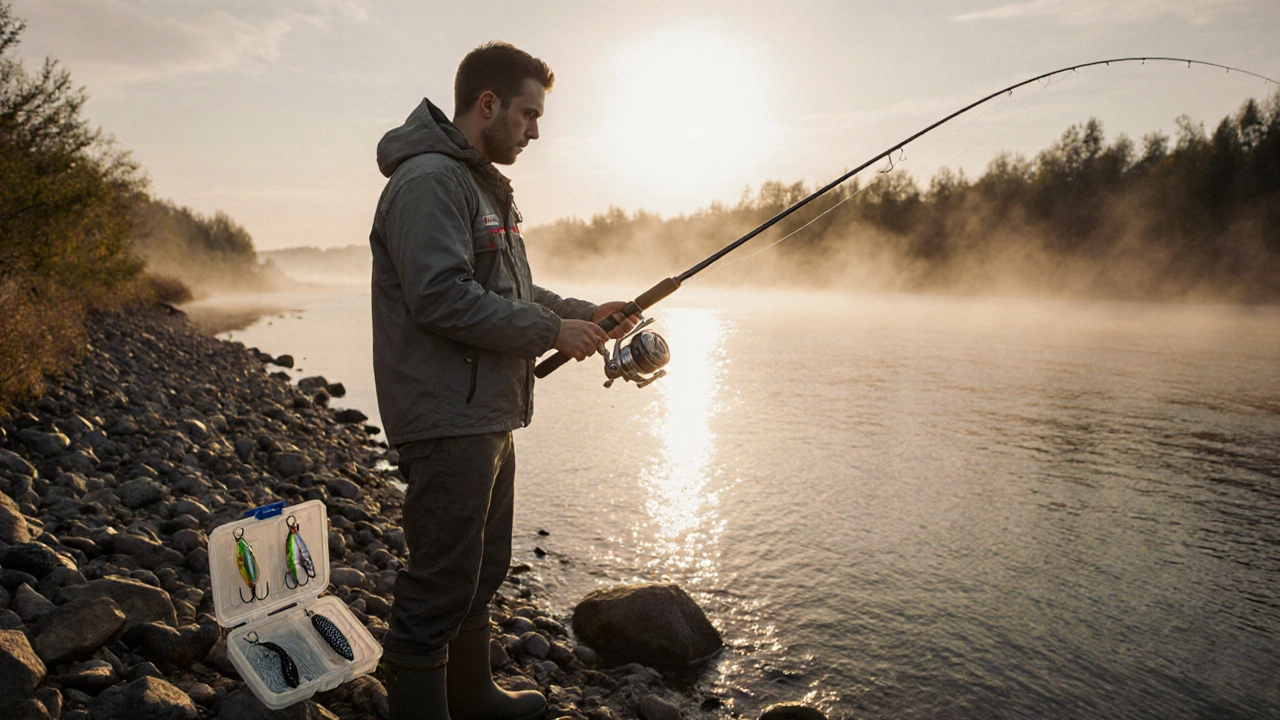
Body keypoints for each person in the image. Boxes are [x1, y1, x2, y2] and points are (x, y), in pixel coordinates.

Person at [369, 42, 638, 720]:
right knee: (438, 584)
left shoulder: (477, 184)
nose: (535, 131)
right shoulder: (430, 181)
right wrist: (551, 332)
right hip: (446, 417)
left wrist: (584, 314)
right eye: (528, 114)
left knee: (481, 571)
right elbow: (440, 297)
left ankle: (472, 697)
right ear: (487, 105)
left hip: (486, 413)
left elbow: (508, 289)